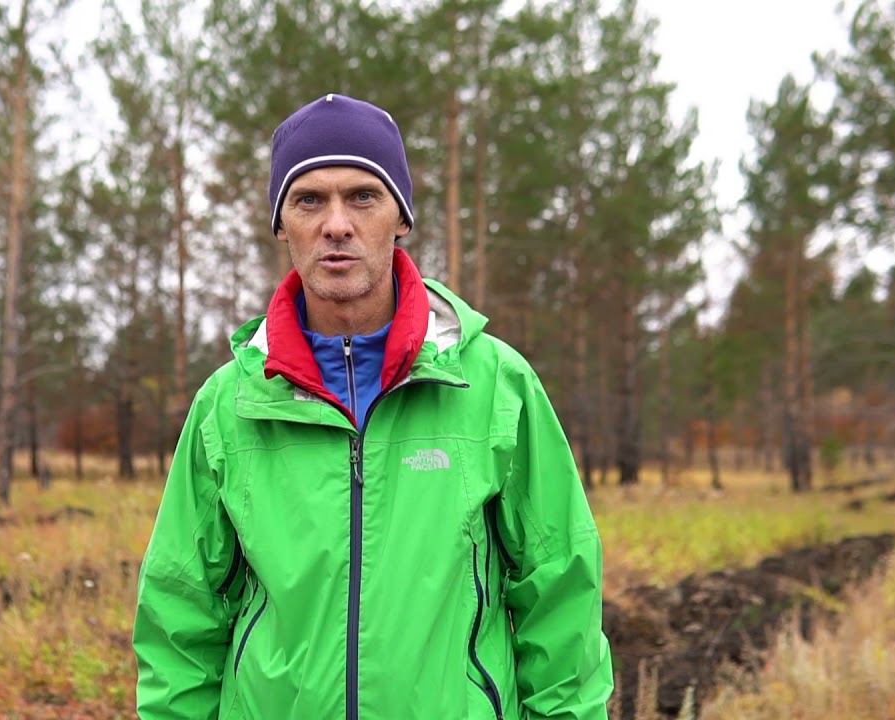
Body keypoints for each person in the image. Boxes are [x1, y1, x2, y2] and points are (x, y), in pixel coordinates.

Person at [134, 93, 613, 719]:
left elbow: (560, 593)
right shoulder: (229, 405)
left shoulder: (497, 385)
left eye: (363, 196)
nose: (336, 224)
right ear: (282, 225)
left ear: (401, 217)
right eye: (309, 200)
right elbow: (181, 612)